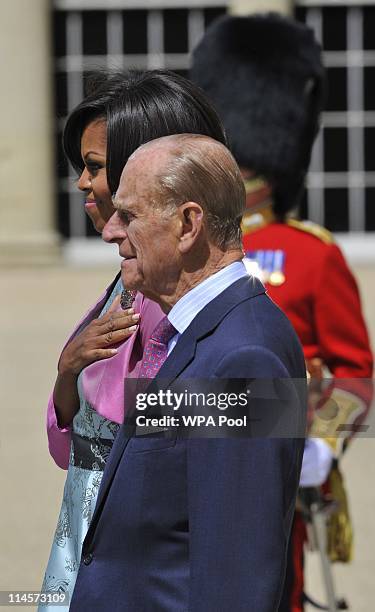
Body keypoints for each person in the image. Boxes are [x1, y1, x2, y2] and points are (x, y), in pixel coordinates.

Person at [70, 134, 307, 611]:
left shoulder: (244, 358)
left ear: (187, 224)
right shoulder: (194, 332)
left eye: (129, 216)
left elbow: (236, 579)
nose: (111, 231)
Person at [191, 13, 373, 611]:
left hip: (279, 451)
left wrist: (318, 443)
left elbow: (355, 372)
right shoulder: (181, 245)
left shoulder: (313, 254)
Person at [41, 69, 228, 607]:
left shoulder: (218, 296)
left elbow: (278, 418)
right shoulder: (122, 284)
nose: (81, 182)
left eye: (94, 167)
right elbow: (72, 450)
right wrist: (67, 371)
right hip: (87, 564)